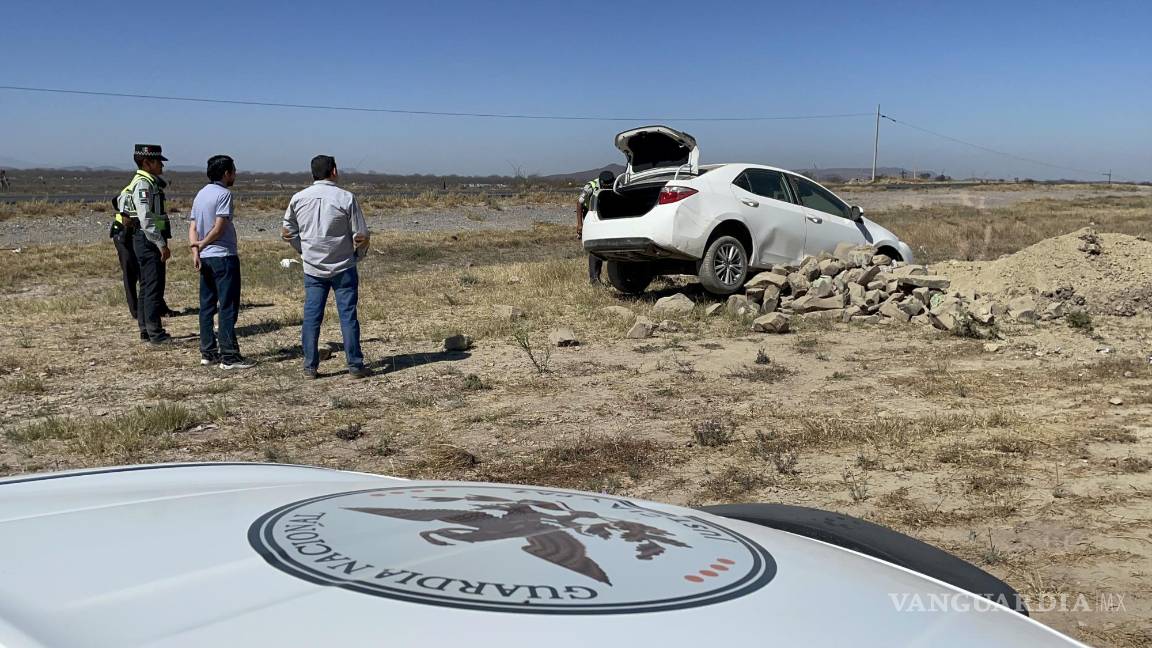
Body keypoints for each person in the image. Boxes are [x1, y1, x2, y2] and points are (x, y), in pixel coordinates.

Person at [281, 155, 371, 379]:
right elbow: (361, 235)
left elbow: (287, 231)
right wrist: (357, 255)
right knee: (348, 316)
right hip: (344, 267)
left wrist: (303, 249)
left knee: (312, 317)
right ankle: (355, 365)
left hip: (313, 269)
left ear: (313, 173)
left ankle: (310, 367)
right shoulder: (346, 198)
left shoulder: (298, 198)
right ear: (334, 171)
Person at [189, 155, 254, 370]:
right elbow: (219, 228)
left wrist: (196, 249)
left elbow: (193, 226)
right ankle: (229, 356)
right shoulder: (224, 194)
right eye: (233, 171)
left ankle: (208, 352)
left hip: (206, 258)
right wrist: (203, 244)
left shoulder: (200, 195)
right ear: (226, 173)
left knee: (206, 306)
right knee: (227, 306)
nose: (235, 175)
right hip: (223, 256)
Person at [118, 144, 173, 344]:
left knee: (147, 286)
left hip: (143, 238)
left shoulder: (145, 182)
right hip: (148, 239)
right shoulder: (143, 184)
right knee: (153, 287)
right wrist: (161, 244)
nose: (162, 166)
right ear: (147, 162)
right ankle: (155, 333)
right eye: (158, 162)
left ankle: (145, 330)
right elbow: (146, 218)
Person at [577, 170, 614, 285]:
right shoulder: (590, 186)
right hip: (591, 214)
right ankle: (594, 279)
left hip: (608, 213)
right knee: (595, 247)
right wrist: (580, 224)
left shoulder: (617, 183)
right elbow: (579, 203)